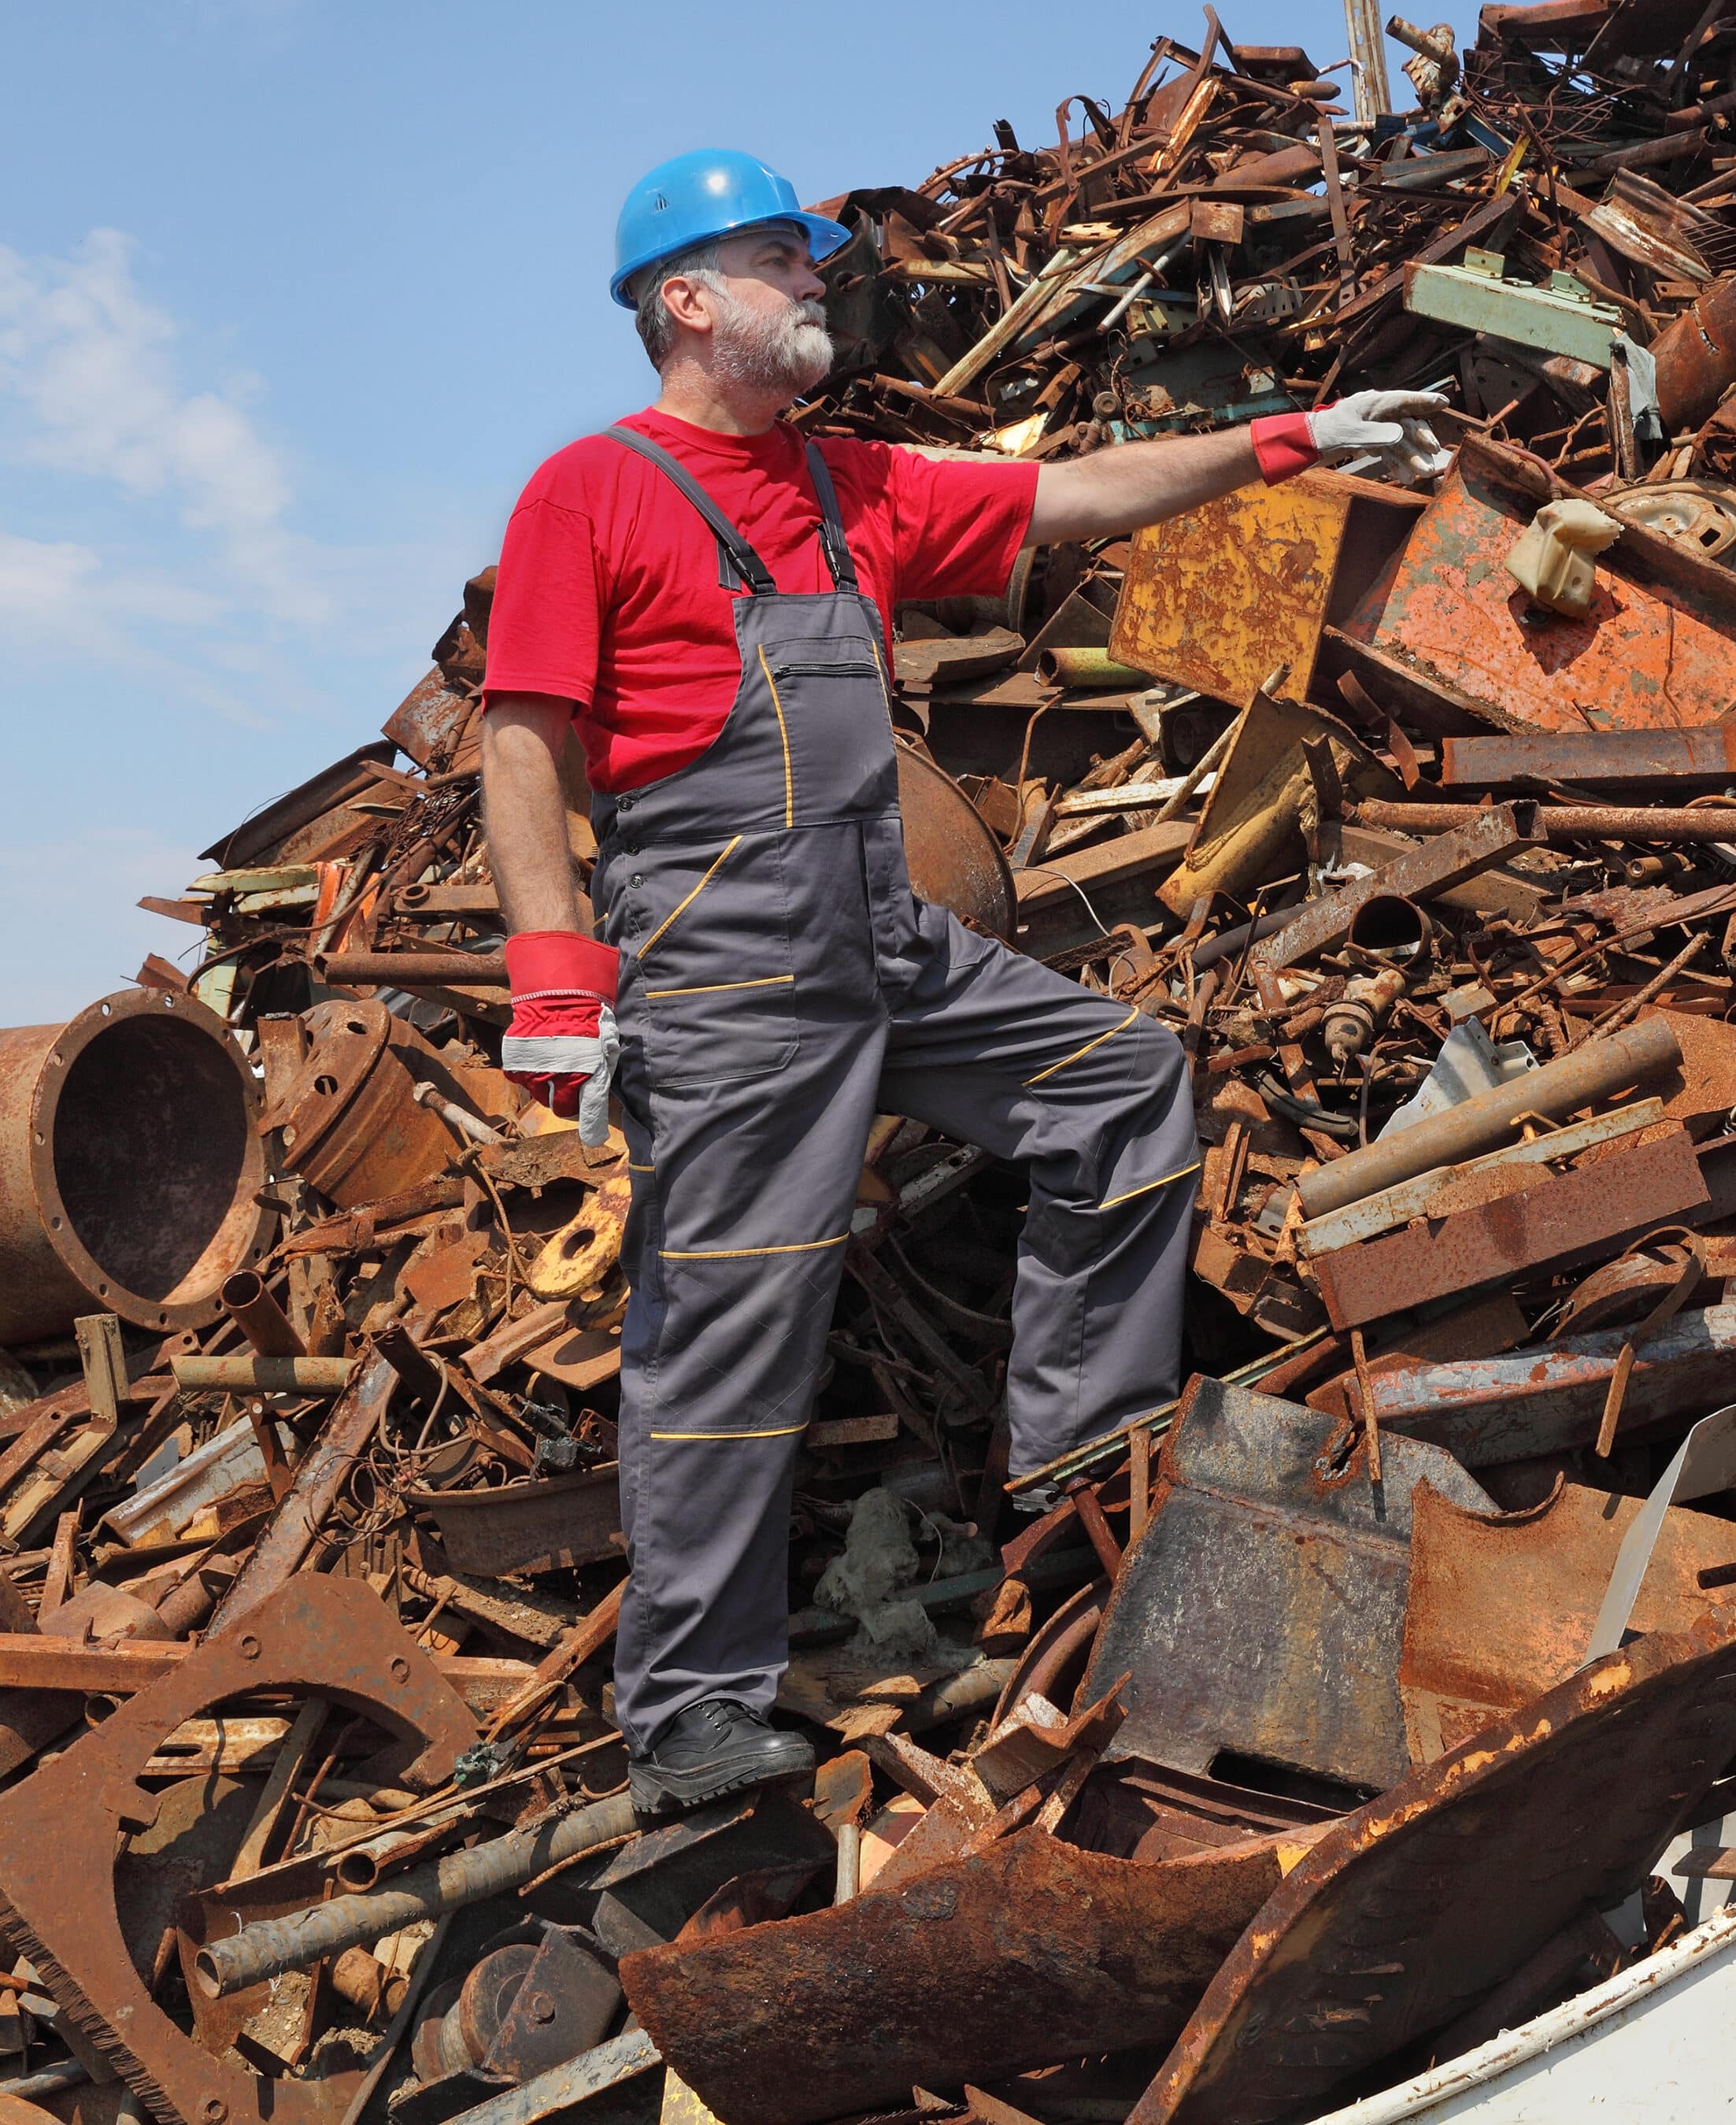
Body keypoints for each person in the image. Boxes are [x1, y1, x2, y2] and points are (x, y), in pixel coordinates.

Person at [479, 148, 1445, 1815]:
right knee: (730, 1329)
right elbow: (521, 734)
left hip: (883, 934)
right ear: (685, 300)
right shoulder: (593, 489)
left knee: (1117, 1085)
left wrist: (1288, 438)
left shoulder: (853, 485)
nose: (815, 283)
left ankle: (1075, 1478)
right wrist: (555, 976)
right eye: (783, 259)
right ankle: (692, 1714)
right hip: (730, 966)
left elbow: (1076, 493)